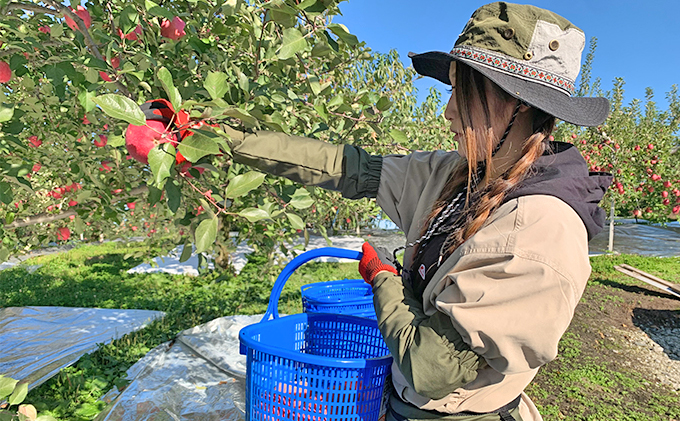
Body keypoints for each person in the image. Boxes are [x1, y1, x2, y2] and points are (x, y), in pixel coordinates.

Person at [220, 2, 612, 420]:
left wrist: (384, 280)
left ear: (519, 105)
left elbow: (431, 368)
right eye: (452, 94)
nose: (448, 112)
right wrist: (224, 140)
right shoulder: (455, 176)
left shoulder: (538, 233)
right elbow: (348, 168)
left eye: (465, 96)